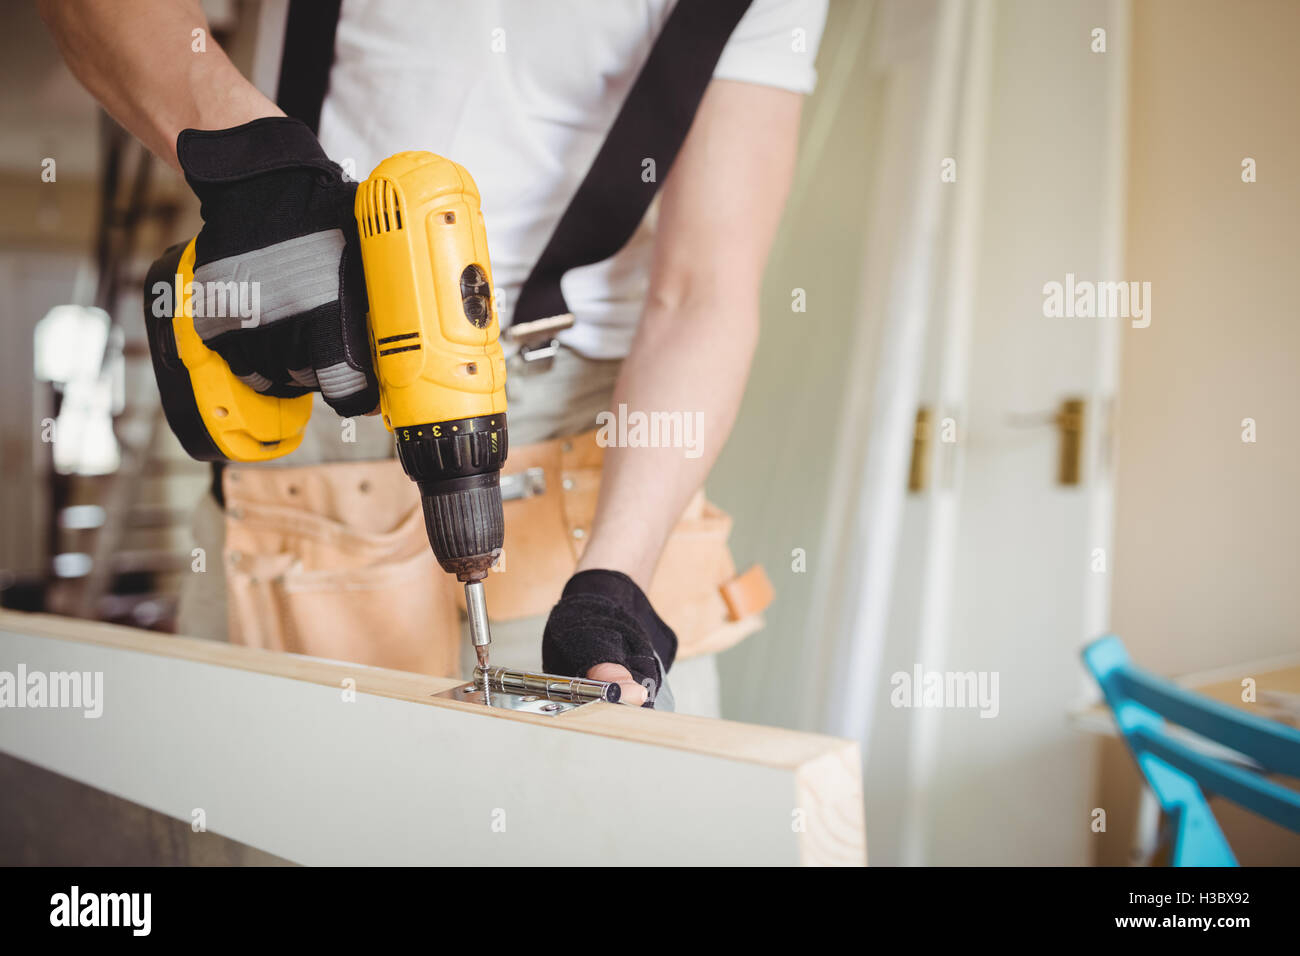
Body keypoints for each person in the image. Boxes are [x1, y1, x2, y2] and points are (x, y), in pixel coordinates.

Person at [40, 0, 827, 713]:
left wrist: (614, 584)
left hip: (602, 469)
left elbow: (703, 294)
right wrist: (256, 172)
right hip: (312, 388)